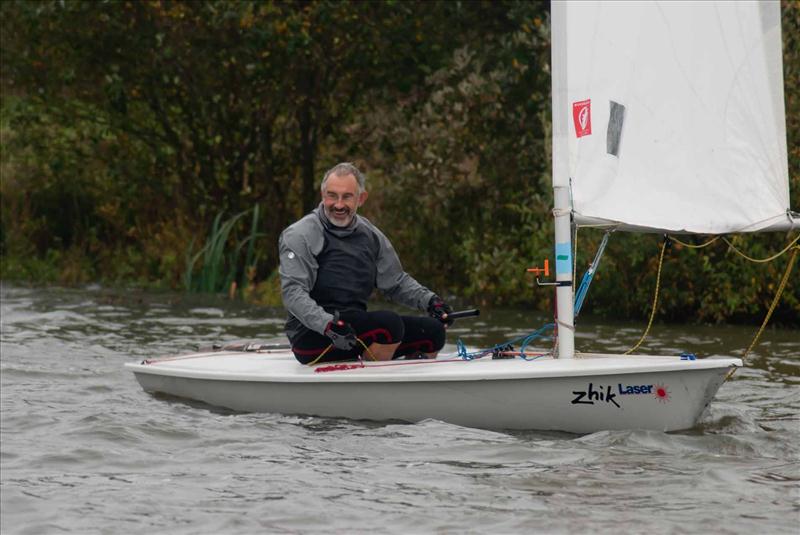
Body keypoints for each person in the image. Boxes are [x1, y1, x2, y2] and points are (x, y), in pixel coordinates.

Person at [278, 162, 453, 365]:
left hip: (353, 328)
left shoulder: (370, 235)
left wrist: (432, 302)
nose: (339, 204)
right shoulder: (300, 234)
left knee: (433, 332)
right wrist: (328, 325)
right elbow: (293, 293)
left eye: (347, 197)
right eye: (332, 195)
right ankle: (371, 389)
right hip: (312, 333)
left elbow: (396, 282)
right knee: (389, 325)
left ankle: (408, 388)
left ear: (361, 198)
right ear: (322, 195)